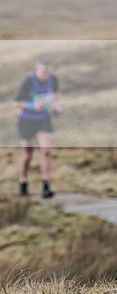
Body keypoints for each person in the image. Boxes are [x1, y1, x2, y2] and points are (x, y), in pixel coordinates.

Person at [15, 58, 61, 198]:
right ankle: (23, 181)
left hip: (43, 119)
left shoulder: (53, 80)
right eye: (42, 72)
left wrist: (57, 106)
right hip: (26, 120)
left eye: (47, 72)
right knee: (27, 154)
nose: (44, 75)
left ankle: (46, 186)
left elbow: (56, 95)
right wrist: (32, 106)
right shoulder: (28, 81)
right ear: (37, 70)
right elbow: (17, 103)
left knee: (46, 151)